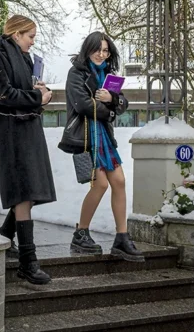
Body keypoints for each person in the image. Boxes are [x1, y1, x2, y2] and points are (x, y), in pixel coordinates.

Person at [58, 32, 144, 262]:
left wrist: (112, 100)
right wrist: (110, 108)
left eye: (106, 50)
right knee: (101, 184)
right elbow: (84, 105)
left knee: (120, 182)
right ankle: (81, 233)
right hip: (85, 137)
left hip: (104, 136)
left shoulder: (108, 75)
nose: (101, 54)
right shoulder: (76, 73)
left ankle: (121, 237)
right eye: (98, 49)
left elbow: (123, 103)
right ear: (89, 48)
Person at [0, 14, 56, 285]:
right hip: (10, 132)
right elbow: (2, 95)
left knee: (32, 188)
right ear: (16, 34)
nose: (32, 42)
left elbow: (24, 94)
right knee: (24, 191)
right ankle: (28, 261)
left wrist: (41, 92)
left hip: (28, 129)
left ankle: (6, 233)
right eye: (30, 36)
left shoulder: (25, 58)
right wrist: (37, 97)